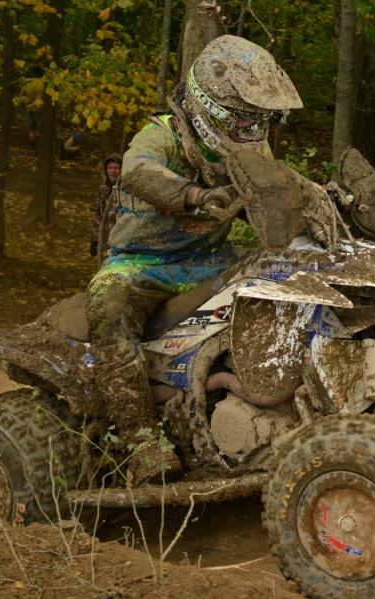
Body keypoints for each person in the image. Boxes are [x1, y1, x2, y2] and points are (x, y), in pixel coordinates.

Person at [86, 35, 302, 485]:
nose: (252, 133)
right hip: (143, 261)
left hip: (211, 257)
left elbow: (278, 183)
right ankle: (141, 441)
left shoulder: (249, 147)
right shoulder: (161, 134)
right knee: (107, 306)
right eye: (245, 123)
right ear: (212, 108)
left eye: (258, 123)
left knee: (288, 271)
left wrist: (323, 200)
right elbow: (137, 169)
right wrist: (194, 196)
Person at [92, 153, 122, 260]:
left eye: (116, 168)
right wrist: (95, 240)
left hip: (123, 240)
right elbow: (98, 215)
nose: (113, 171)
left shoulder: (126, 190)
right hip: (107, 241)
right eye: (110, 168)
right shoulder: (103, 189)